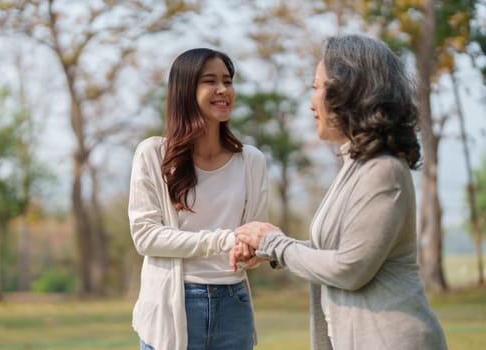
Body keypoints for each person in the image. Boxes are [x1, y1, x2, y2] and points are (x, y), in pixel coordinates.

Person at [232, 34, 448, 350]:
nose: (311, 102)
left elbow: (349, 268)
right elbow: (339, 251)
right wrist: (270, 248)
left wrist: (276, 245)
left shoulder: (383, 170)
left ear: (351, 92)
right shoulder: (357, 164)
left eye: (318, 87)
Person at [128, 48, 268, 350]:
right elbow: (146, 237)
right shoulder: (153, 155)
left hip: (234, 303)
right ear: (185, 91)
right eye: (210, 81)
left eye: (228, 81)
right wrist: (226, 240)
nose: (223, 90)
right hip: (172, 303)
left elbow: (254, 242)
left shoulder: (252, 161)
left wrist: (254, 250)